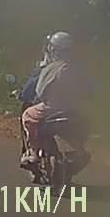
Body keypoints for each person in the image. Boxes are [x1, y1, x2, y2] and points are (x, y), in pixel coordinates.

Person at [20, 31, 86, 168]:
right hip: (74, 109)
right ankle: (79, 151)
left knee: (27, 115)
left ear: (52, 48)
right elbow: (89, 90)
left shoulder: (50, 68)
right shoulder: (78, 68)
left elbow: (39, 91)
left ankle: (33, 152)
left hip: (52, 108)